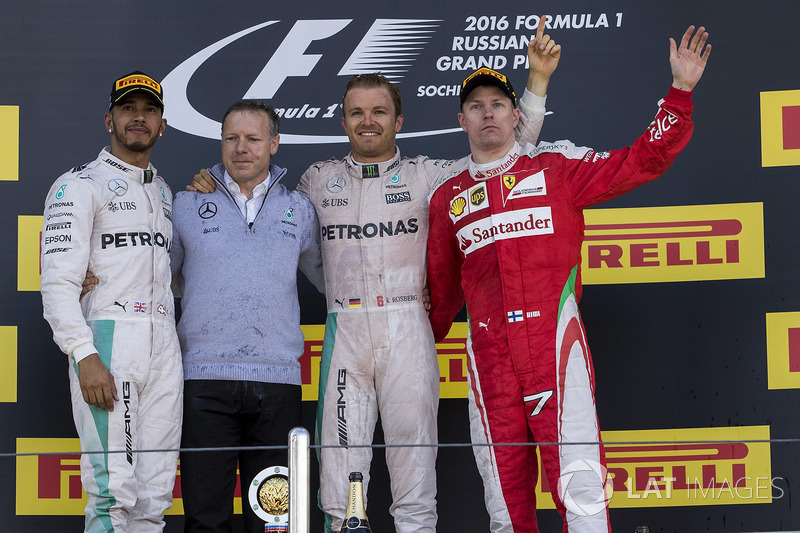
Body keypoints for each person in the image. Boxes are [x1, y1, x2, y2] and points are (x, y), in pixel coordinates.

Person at [190, 21, 561, 533]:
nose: (368, 121)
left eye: (379, 112)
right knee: (340, 484)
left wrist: (536, 85)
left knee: (414, 480)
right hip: (346, 328)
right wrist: (213, 183)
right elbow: (268, 224)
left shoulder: (430, 176)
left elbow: (505, 155)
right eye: (357, 113)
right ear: (342, 121)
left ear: (399, 120)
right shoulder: (316, 181)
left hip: (408, 326)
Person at [425, 25, 711, 532]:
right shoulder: (447, 197)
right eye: (476, 105)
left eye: (497, 103)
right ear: (461, 119)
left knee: (579, 487)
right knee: (504, 501)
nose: (487, 112)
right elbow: (440, 293)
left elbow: (642, 160)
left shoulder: (557, 167)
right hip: (489, 361)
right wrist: (411, 347)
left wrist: (680, 93)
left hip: (555, 349)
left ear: (518, 115)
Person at [171, 100, 324, 533]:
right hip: (204, 381)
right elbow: (160, 280)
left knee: (273, 521)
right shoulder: (185, 204)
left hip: (278, 385)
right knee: (205, 518)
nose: (241, 148)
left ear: (274, 144)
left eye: (253, 139)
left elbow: (332, 280)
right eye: (231, 138)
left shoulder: (300, 210)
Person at [41, 71, 182, 532]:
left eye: (148, 110)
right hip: (109, 341)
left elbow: (171, 276)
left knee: (154, 497)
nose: (138, 118)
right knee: (111, 494)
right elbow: (57, 285)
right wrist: (85, 355)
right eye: (128, 109)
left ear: (162, 124)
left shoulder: (165, 193)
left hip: (164, 347)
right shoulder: (78, 185)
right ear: (109, 120)